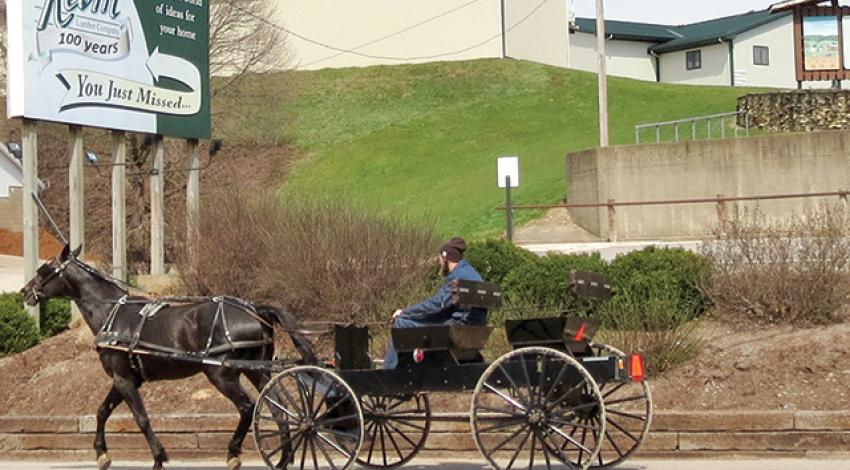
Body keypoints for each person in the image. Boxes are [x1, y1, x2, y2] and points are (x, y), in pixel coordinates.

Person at [384, 237, 486, 369]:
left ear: (446, 258)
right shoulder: (472, 274)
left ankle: (388, 374)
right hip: (472, 329)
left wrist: (405, 312)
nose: (440, 264)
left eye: (440, 260)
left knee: (401, 323)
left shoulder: (458, 278)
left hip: (454, 331)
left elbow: (436, 306)